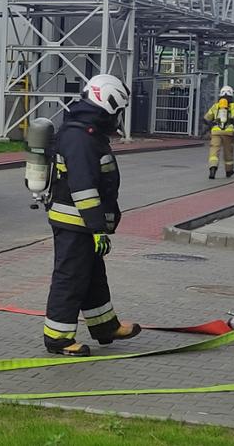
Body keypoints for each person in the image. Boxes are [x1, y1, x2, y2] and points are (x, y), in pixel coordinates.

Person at [29, 74, 143, 356]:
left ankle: (106, 327)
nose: (118, 117)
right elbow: (83, 187)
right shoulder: (80, 137)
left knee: (92, 276)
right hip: (75, 221)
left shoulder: (86, 131)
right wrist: (97, 228)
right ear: (107, 102)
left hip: (83, 222)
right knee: (70, 277)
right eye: (117, 110)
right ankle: (58, 338)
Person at [203, 85, 234, 179]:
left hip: (216, 131)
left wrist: (211, 125)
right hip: (228, 132)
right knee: (228, 152)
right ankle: (229, 171)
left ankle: (213, 168)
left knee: (214, 151)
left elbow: (205, 118)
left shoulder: (216, 106)